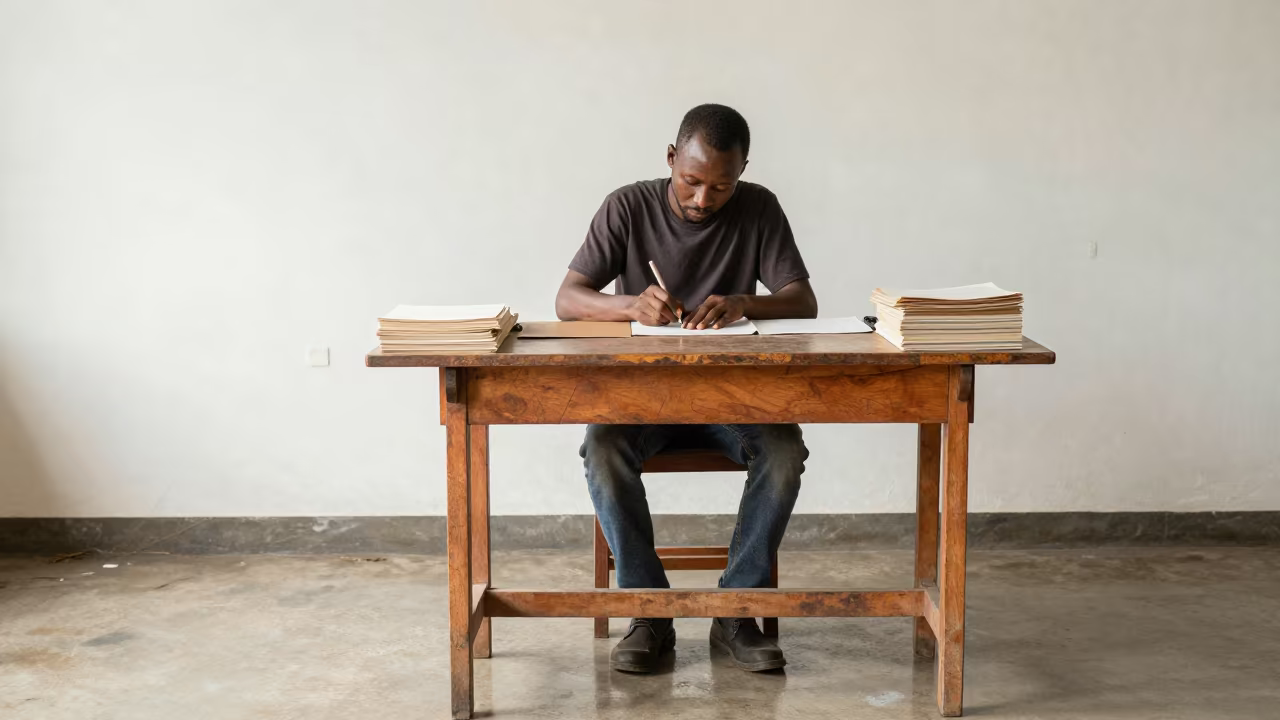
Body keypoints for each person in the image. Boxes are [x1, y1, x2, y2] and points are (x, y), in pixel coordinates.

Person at [555, 103, 818, 674]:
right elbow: (567, 299)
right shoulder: (627, 206)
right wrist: (630, 304)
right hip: (644, 396)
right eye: (690, 182)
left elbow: (804, 300)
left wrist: (745, 302)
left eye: (721, 187)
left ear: (743, 171)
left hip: (733, 398)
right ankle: (650, 611)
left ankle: (735, 610)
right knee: (602, 448)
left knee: (782, 453)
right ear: (671, 158)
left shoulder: (760, 208)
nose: (702, 200)